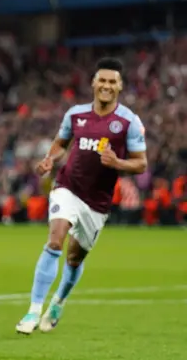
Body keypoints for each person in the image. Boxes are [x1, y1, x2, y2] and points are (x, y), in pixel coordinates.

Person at [16, 58, 147, 335]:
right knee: (55, 239)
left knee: (75, 258)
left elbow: (141, 163)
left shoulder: (128, 121)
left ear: (120, 86)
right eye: (102, 80)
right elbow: (61, 143)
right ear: (93, 83)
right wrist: (50, 159)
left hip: (97, 202)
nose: (106, 86)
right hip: (68, 186)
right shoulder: (75, 114)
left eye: (112, 81)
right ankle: (33, 310)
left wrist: (118, 164)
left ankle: (59, 301)